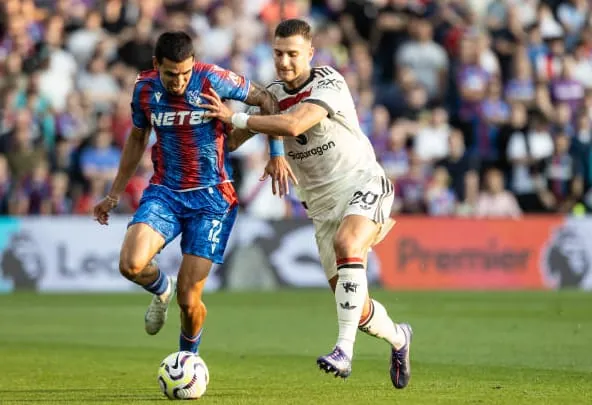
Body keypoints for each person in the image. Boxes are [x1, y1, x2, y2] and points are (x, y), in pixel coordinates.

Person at [199, 19, 412, 388]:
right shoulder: (271, 94)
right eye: (278, 53)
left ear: (310, 54)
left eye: (293, 54)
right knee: (357, 309)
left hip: (362, 183)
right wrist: (204, 128)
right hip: (321, 208)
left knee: (349, 244)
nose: (284, 61)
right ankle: (399, 337)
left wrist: (236, 115)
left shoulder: (328, 81)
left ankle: (343, 351)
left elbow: (294, 124)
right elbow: (234, 139)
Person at [92, 31, 292, 356]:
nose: (180, 81)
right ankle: (161, 287)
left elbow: (267, 100)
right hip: (165, 192)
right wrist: (114, 194)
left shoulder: (212, 78)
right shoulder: (144, 89)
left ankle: (188, 359)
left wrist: (276, 152)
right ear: (157, 65)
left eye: (186, 73)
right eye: (171, 74)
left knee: (190, 300)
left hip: (212, 199)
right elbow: (137, 139)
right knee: (130, 265)